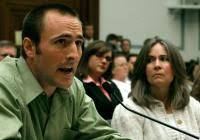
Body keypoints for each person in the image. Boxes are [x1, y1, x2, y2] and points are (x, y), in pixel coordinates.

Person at [0, 3, 131, 140]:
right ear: (30, 47)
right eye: (62, 42)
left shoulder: (74, 88)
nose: (74, 55)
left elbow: (103, 136)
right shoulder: (4, 84)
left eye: (78, 43)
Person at [111, 36, 200, 140]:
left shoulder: (193, 106)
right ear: (143, 69)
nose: (157, 65)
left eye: (164, 59)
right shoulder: (128, 111)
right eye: (150, 60)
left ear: (176, 67)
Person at [76, 40, 123, 121]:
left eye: (108, 58)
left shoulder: (110, 85)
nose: (104, 61)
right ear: (88, 56)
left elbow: (122, 109)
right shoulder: (79, 84)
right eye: (99, 55)